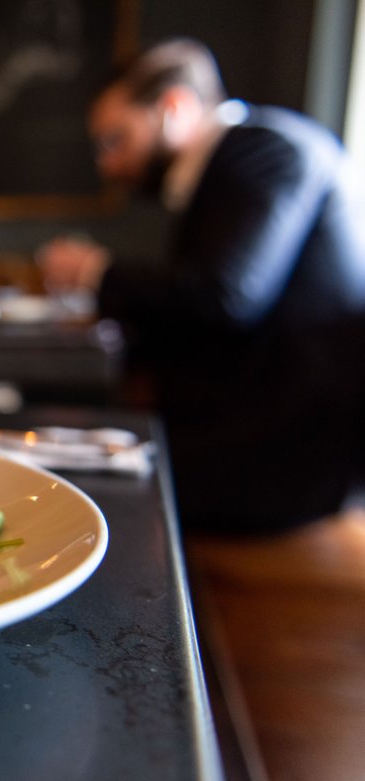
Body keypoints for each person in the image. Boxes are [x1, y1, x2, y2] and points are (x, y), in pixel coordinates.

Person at [37, 38, 365, 531]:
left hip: (284, 449)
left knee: (74, 489)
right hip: (257, 423)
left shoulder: (267, 152)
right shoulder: (236, 162)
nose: (107, 164)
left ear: (173, 107)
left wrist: (95, 271)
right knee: (66, 449)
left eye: (116, 139)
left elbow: (224, 299)